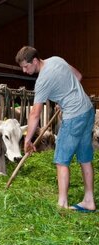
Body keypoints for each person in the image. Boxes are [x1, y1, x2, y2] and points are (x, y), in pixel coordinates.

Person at [15, 46, 96, 212]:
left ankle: (62, 204)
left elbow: (35, 114)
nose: (24, 70)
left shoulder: (43, 81)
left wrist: (28, 139)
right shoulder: (56, 59)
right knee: (85, 158)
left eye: (26, 66)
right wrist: (63, 98)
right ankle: (89, 200)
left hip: (73, 117)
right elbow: (78, 76)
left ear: (35, 61)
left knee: (61, 160)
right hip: (87, 110)